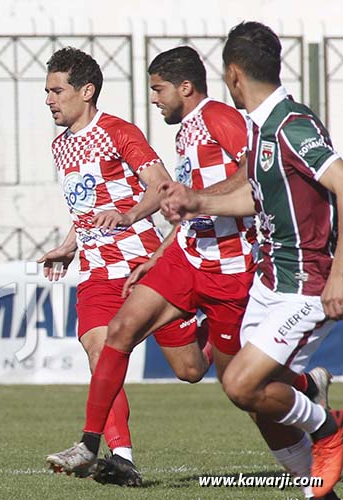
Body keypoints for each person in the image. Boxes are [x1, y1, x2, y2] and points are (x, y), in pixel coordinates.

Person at [52, 23, 343, 497]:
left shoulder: (231, 120)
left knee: (243, 390)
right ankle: (92, 443)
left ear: (200, 84)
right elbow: (212, 200)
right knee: (121, 332)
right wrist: (166, 245)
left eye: (158, 89)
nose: (154, 99)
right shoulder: (195, 129)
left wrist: (337, 271)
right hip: (193, 258)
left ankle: (316, 443)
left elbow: (258, 186)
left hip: (236, 271)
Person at [37, 47, 210, 486]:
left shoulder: (118, 132)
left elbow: (161, 187)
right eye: (47, 91)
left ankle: (214, 324)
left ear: (86, 91)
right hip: (96, 273)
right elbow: (87, 209)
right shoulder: (60, 147)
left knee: (190, 370)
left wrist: (131, 215)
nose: (49, 99)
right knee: (100, 350)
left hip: (143, 267)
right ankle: (121, 456)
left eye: (57, 90)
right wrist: (68, 245)